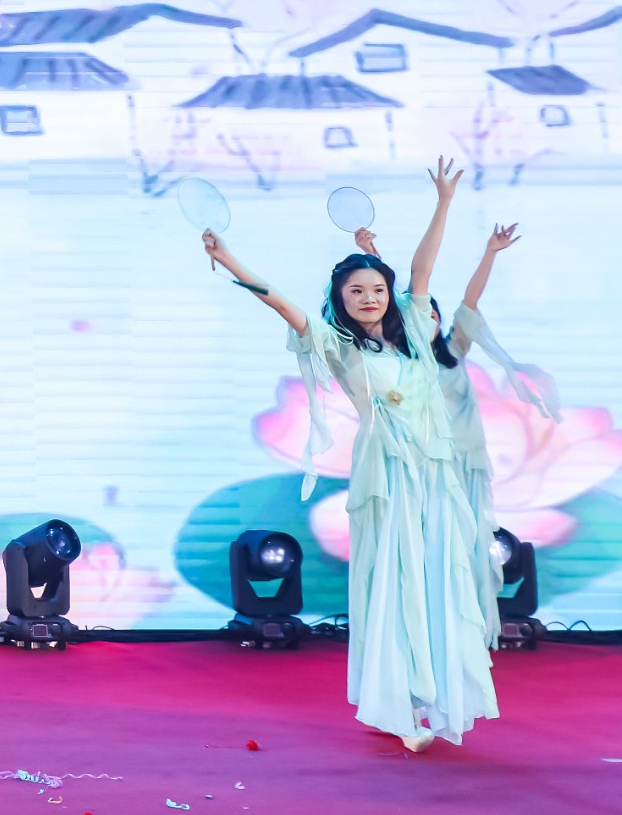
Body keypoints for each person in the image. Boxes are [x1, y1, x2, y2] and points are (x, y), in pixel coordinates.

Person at [201, 159, 495, 751]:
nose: (368, 298)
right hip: (387, 476)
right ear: (340, 298)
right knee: (396, 582)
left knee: (440, 579)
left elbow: (421, 269)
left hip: (435, 473)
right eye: (356, 291)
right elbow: (284, 307)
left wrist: (443, 201)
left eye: (377, 290)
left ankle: (430, 701)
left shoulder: (416, 334)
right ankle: (400, 705)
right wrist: (230, 261)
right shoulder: (338, 345)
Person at [356, 222, 561, 647]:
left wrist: (490, 253)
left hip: (464, 463)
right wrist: (371, 254)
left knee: (467, 547)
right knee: (423, 547)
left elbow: (470, 301)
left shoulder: (453, 351)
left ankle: (467, 631)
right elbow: (397, 295)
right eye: (422, 314)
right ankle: (422, 628)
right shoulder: (402, 363)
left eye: (434, 314)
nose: (429, 318)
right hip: (421, 466)